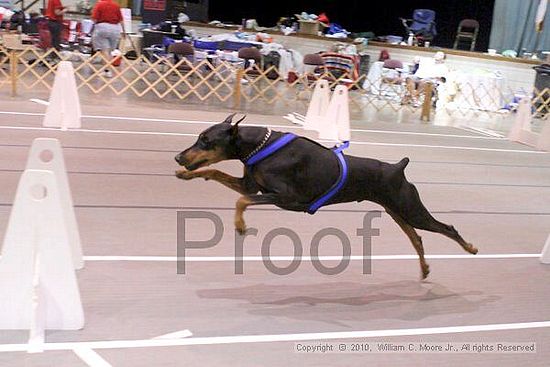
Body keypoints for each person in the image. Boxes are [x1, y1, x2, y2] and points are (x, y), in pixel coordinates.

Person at [91, 0, 125, 77]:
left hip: (102, 27)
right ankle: (107, 69)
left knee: (104, 50)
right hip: (115, 28)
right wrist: (124, 31)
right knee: (110, 51)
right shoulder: (116, 5)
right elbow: (121, 20)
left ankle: (107, 70)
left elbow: (94, 18)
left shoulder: (99, 4)